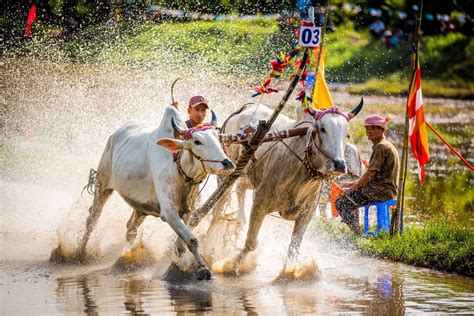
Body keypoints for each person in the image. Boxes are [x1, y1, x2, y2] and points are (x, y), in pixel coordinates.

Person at [335, 114, 400, 235]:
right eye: (367, 128)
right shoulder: (386, 145)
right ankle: (358, 230)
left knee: (341, 203)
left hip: (379, 192)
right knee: (346, 199)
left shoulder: (381, 147)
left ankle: (357, 234)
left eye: (373, 128)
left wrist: (352, 188)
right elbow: (373, 175)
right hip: (386, 189)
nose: (369, 131)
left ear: (381, 130)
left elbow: (370, 174)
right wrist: (353, 183)